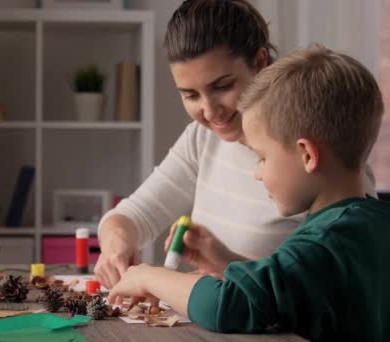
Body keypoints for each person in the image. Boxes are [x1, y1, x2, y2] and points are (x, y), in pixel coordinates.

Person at [108, 45, 390, 341]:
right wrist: (226, 261)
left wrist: (149, 276)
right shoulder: (367, 226)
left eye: (262, 158)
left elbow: (228, 304)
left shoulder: (323, 241)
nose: (257, 172)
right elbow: (291, 286)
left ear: (307, 155)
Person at [94, 0, 376, 290]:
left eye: (222, 86)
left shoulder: (314, 157)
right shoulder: (202, 139)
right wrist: (117, 245)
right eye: (190, 95)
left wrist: (158, 279)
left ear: (260, 61)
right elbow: (133, 215)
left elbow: (331, 286)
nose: (210, 111)